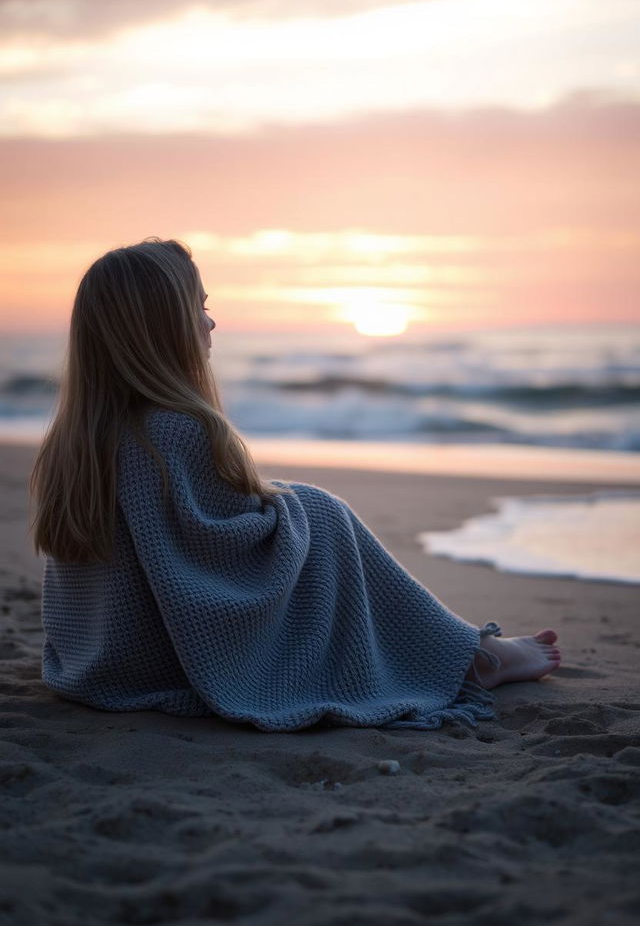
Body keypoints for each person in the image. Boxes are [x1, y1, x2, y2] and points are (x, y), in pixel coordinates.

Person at [30, 238, 561, 733]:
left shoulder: (76, 437)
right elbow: (219, 555)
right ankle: (471, 657)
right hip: (168, 661)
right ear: (161, 328)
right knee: (322, 513)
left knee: (293, 502)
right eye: (198, 307)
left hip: (100, 661)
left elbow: (184, 537)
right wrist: (302, 511)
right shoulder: (175, 429)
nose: (210, 323)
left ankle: (468, 650)